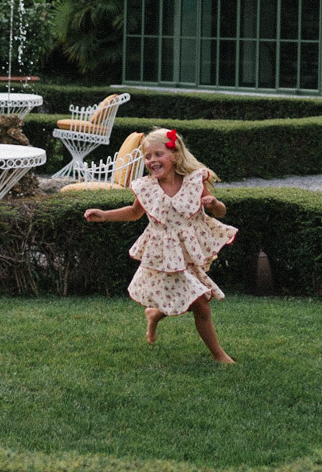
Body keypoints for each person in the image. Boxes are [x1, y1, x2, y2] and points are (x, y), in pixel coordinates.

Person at [85, 128, 237, 364]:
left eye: (159, 154)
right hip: (163, 255)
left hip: (188, 252)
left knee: (184, 298)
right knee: (199, 304)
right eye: (148, 156)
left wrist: (214, 203)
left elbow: (221, 212)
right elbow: (134, 213)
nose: (153, 161)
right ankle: (219, 355)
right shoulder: (147, 187)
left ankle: (154, 315)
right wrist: (105, 215)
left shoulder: (194, 182)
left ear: (175, 155)